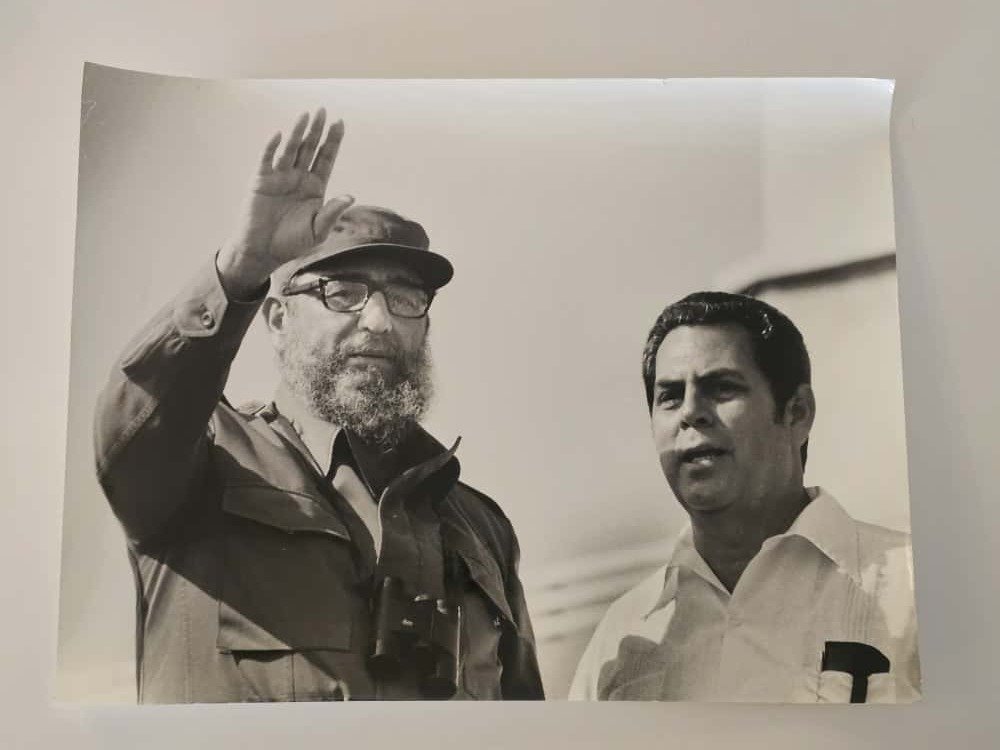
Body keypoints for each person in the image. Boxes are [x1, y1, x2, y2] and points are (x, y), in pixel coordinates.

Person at [94, 110, 544, 703]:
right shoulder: (199, 462)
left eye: (405, 297)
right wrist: (243, 267)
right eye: (344, 293)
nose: (379, 321)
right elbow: (135, 414)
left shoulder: (482, 529)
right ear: (277, 320)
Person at [569, 291, 920, 703]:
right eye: (669, 396)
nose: (690, 413)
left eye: (721, 388)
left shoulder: (913, 588)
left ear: (797, 413)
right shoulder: (622, 634)